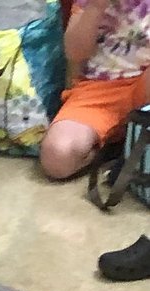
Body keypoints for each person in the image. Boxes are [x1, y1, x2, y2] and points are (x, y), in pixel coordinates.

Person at [40, 0, 150, 181]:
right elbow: (75, 53)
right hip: (99, 89)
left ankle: (132, 146)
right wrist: (96, 7)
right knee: (57, 158)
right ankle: (114, 147)